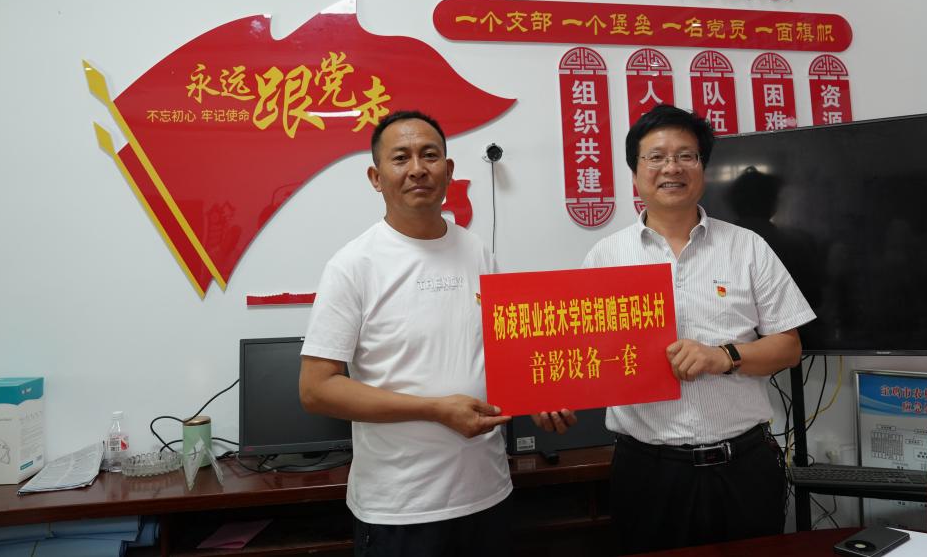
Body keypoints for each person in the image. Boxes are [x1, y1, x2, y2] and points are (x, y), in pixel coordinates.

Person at [535, 105, 815, 554]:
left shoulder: (748, 247)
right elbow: (581, 356)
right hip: (647, 471)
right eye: (656, 157)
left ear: (703, 168)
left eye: (686, 155)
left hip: (743, 466)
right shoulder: (606, 258)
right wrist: (552, 396)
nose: (672, 168)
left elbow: (789, 347)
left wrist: (723, 356)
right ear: (635, 174)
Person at [299, 110, 513, 557]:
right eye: (401, 158)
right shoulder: (353, 265)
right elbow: (317, 389)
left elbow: (502, 356)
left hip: (488, 492)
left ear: (448, 171)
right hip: (400, 510)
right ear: (376, 178)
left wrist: (543, 399)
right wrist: (435, 410)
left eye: (430, 155)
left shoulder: (478, 251)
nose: (417, 168)